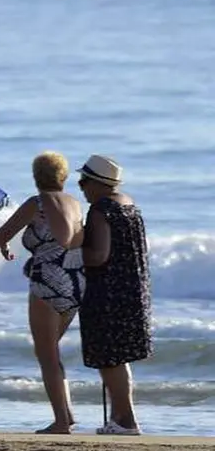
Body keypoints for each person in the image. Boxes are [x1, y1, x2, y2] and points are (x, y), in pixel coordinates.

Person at [0, 151, 84, 434]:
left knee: (46, 354)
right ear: (64, 176)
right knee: (52, 351)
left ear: (36, 177)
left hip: (46, 281)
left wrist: (4, 248)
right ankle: (66, 415)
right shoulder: (74, 203)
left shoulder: (36, 203)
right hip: (75, 280)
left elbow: (2, 233)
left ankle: (61, 421)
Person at [76, 154, 151, 435]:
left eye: (84, 181)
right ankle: (121, 417)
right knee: (118, 358)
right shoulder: (129, 203)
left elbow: (99, 256)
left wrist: (69, 252)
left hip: (107, 290)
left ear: (97, 183)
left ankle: (127, 420)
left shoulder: (100, 209)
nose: (81, 187)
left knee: (109, 358)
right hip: (132, 287)